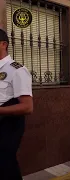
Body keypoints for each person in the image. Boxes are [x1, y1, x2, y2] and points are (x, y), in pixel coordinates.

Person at [0, 29, 33, 180]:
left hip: (9, 126)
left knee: (6, 166)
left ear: (3, 44)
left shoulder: (17, 70)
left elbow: (27, 106)